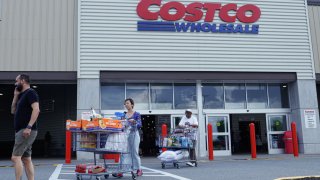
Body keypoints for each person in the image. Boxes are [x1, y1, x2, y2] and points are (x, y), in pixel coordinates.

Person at [11, 74, 40, 180]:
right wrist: (15, 96)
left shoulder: (31, 93)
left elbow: (36, 109)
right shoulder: (21, 95)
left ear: (22, 81)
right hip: (22, 130)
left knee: (15, 157)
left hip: (26, 130)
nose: (15, 83)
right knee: (26, 159)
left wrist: (29, 127)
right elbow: (12, 111)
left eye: (16, 81)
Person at [115, 98, 143, 177]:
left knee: (134, 152)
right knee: (123, 152)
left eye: (127, 103)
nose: (126, 105)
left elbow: (139, 124)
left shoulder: (137, 114)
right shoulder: (124, 115)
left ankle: (139, 169)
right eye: (125, 104)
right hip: (125, 135)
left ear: (132, 104)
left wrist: (134, 122)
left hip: (134, 134)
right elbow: (122, 125)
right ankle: (121, 170)